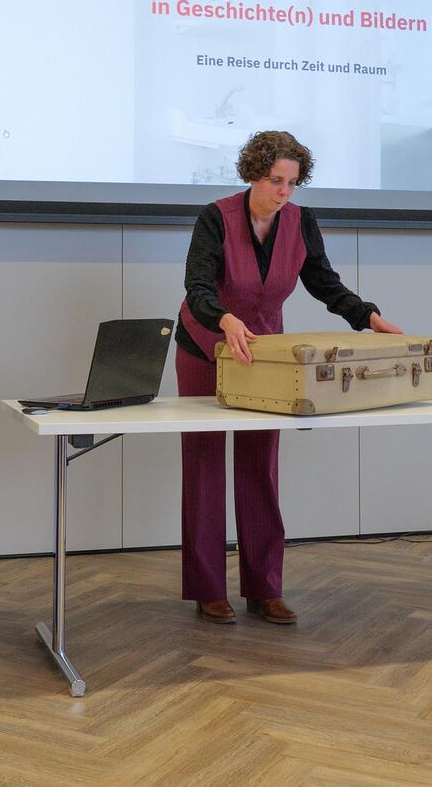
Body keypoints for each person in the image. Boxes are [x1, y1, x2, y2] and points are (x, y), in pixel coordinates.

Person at [175, 130, 402, 625]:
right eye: (275, 180)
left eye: (293, 183)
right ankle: (208, 589)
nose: (284, 192)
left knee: (261, 462)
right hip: (205, 345)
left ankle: (264, 588)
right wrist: (224, 318)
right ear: (253, 174)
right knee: (205, 463)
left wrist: (366, 316)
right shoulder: (215, 218)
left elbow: (323, 282)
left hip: (266, 354)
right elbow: (196, 287)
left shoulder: (301, 222)